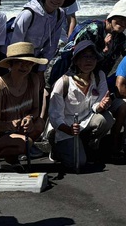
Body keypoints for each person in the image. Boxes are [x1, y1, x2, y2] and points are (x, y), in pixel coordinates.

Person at [47, 40, 114, 171]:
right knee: (78, 163)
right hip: (64, 127)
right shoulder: (64, 82)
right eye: (84, 56)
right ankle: (56, 148)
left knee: (106, 119)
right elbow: (55, 115)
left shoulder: (99, 76)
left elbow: (96, 106)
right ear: (76, 60)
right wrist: (68, 129)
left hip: (85, 121)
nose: (89, 61)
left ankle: (85, 145)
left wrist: (102, 105)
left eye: (92, 57)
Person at [0, 42, 46, 166]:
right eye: (20, 62)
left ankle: (11, 156)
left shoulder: (34, 79)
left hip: (18, 126)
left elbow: (36, 108)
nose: (25, 67)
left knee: (39, 124)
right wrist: (10, 125)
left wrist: (29, 118)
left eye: (29, 63)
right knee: (23, 143)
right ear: (11, 64)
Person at [7, 0, 74, 77]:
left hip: (34, 57)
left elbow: (52, 45)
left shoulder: (59, 14)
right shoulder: (29, 13)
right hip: (14, 56)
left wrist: (41, 70)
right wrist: (15, 67)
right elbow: (16, 43)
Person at [69, 0, 126, 78]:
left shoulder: (121, 40)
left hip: (97, 78)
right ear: (111, 17)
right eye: (120, 18)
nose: (123, 22)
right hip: (75, 75)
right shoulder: (92, 30)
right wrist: (105, 51)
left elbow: (109, 65)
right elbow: (78, 57)